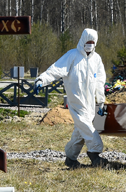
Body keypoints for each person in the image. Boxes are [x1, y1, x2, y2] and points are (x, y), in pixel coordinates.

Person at [34, 28, 108, 168]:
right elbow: (56, 69)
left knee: (80, 131)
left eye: (92, 42)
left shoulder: (96, 59)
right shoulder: (72, 55)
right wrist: (41, 80)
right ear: (82, 40)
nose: (90, 44)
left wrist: (101, 100)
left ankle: (71, 158)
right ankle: (95, 154)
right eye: (88, 41)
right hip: (76, 100)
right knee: (87, 126)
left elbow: (99, 81)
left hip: (90, 102)